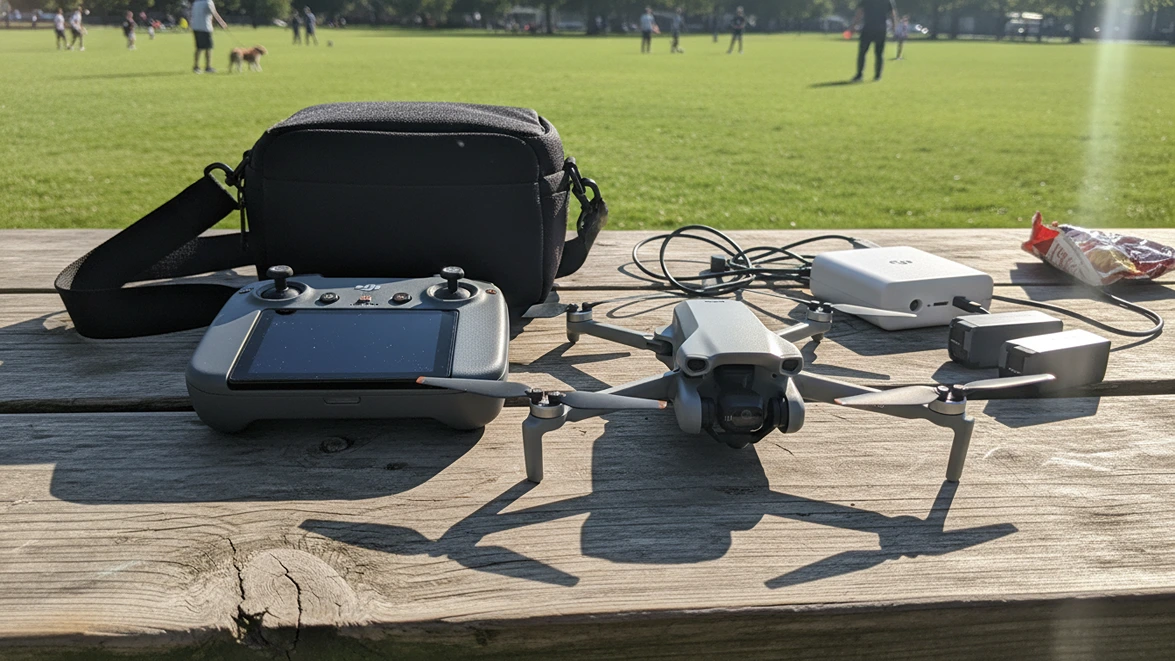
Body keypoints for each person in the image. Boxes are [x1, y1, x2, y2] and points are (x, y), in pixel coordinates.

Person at [851, 0, 897, 81]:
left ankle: (859, 75)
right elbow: (892, 14)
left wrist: (854, 25)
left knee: (862, 52)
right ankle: (877, 76)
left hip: (868, 28)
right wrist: (894, 28)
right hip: (881, 29)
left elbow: (859, 12)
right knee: (879, 54)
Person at [190, 0, 227, 73]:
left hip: (195, 27)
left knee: (199, 47)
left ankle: (196, 66)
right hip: (205, 27)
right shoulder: (208, 2)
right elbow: (214, 13)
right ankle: (208, 67)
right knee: (208, 48)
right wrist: (222, 23)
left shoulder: (196, 2)